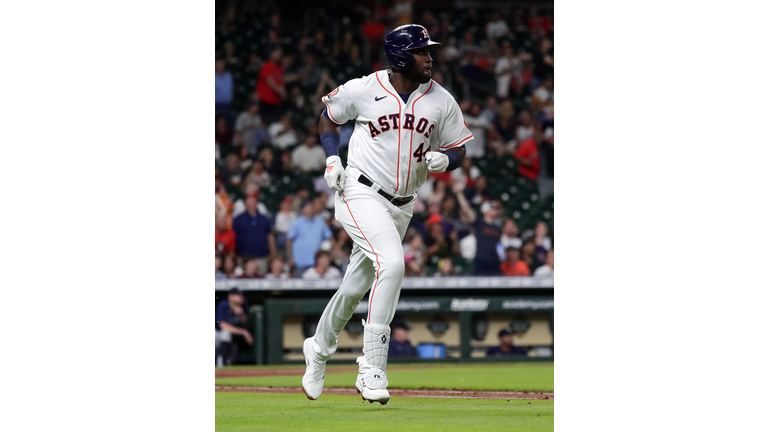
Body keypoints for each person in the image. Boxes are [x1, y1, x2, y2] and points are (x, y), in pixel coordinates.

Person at [301, 24, 473, 405]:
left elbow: (461, 147)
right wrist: (332, 157)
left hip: (402, 205)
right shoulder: (365, 88)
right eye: (422, 51)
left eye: (429, 50)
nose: (430, 57)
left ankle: (318, 347)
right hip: (358, 191)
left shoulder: (441, 100)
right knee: (393, 263)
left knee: (352, 288)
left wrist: (448, 159)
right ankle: (372, 367)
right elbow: (328, 117)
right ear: (399, 57)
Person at [231, 191, 275, 275]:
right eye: (250, 200)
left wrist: (272, 253)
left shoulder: (264, 218)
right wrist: (234, 253)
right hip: (244, 259)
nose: (252, 203)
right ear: (245, 203)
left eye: (254, 200)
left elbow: (270, 235)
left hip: (261, 258)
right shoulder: (238, 219)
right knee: (244, 278)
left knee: (261, 279)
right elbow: (233, 236)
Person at [286, 200, 333, 277]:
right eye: (307, 206)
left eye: (311, 206)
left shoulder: (320, 222)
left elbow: (330, 238)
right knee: (301, 287)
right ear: (302, 209)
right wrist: (290, 258)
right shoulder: (296, 223)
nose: (310, 208)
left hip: (317, 263)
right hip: (300, 262)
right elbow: (289, 241)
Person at [215, 288, 253, 366]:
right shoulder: (223, 305)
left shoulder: (243, 305)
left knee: (227, 336)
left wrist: (241, 314)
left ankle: (222, 363)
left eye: (241, 295)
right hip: (217, 333)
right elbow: (223, 326)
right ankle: (218, 362)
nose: (241, 297)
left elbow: (245, 322)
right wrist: (243, 332)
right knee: (224, 334)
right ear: (230, 297)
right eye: (238, 295)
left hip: (232, 337)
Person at [473, 201, 503, 276]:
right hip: (482, 260)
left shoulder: (497, 227)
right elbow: (467, 211)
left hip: (494, 260)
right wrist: (459, 194)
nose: (494, 210)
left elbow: (499, 243)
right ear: (486, 211)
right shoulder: (479, 223)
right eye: (492, 209)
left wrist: (502, 255)